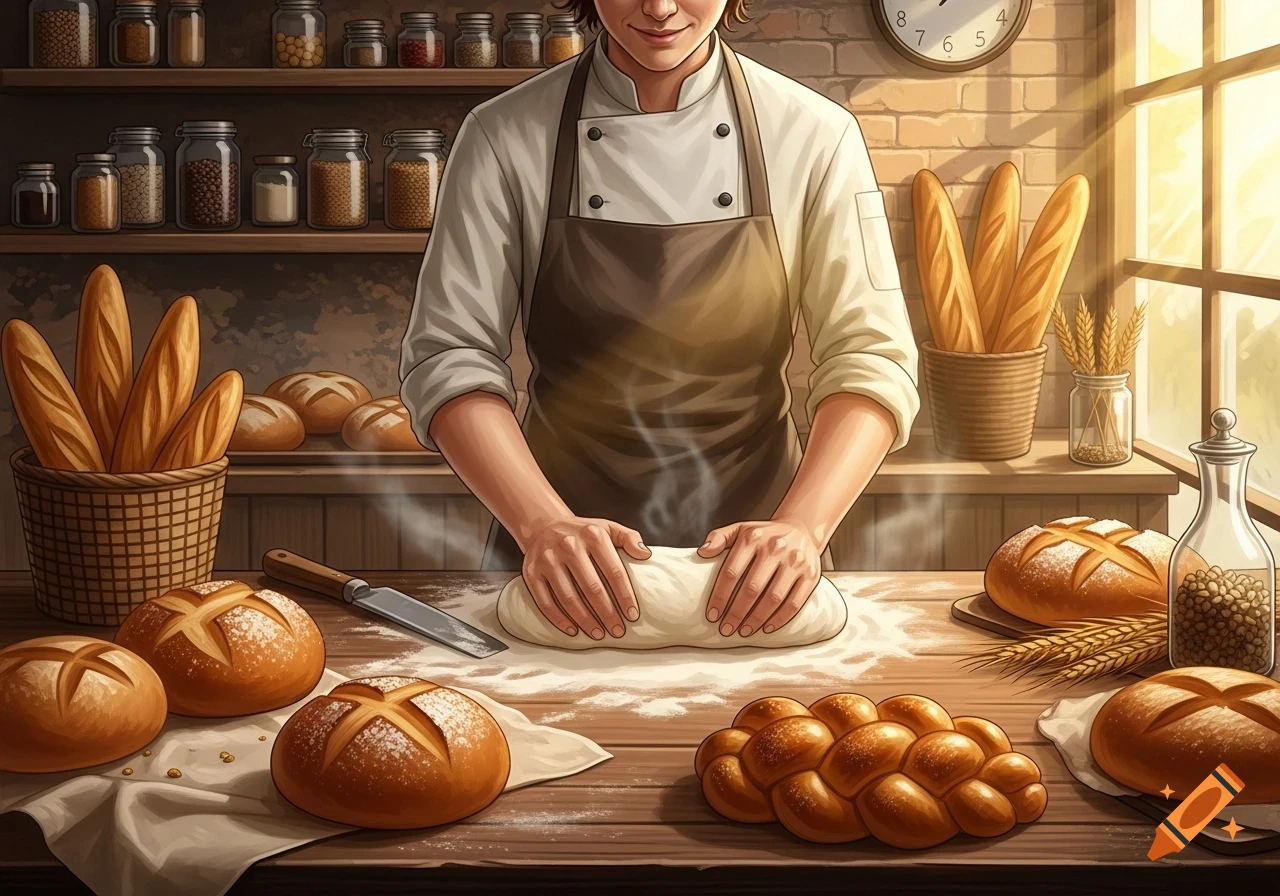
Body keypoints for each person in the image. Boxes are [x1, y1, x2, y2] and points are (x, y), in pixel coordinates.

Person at [400, 0, 919, 643]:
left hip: (765, 568)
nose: (661, 7)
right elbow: (450, 357)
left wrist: (803, 528)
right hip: (558, 566)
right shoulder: (504, 133)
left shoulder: (813, 133)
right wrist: (540, 526)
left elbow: (871, 356)